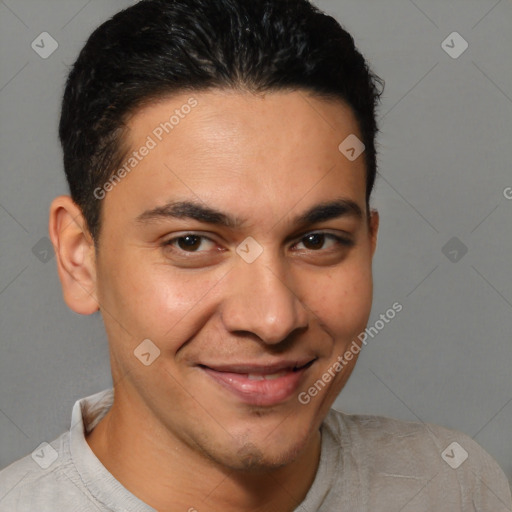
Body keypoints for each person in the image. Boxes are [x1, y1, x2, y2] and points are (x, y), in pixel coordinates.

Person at [0, 0, 510, 510]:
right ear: (78, 258)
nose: (272, 319)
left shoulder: (456, 486)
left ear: (369, 244)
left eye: (317, 240)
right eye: (192, 242)